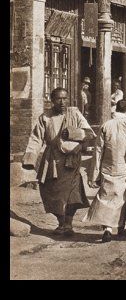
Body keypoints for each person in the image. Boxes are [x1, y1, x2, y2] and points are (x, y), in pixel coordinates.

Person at [22, 87, 96, 236]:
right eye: (58, 99)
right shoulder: (45, 117)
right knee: (49, 192)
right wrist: (30, 159)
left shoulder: (75, 113)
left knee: (73, 193)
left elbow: (90, 133)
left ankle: (68, 224)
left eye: (65, 98)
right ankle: (61, 222)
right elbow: (36, 138)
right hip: (52, 160)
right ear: (52, 100)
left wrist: (73, 133)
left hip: (71, 161)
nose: (62, 102)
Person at [84, 100, 126, 243]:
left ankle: (107, 228)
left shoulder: (105, 125)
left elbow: (98, 151)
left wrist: (93, 174)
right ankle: (121, 227)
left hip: (108, 167)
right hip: (125, 167)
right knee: (123, 198)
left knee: (107, 197)